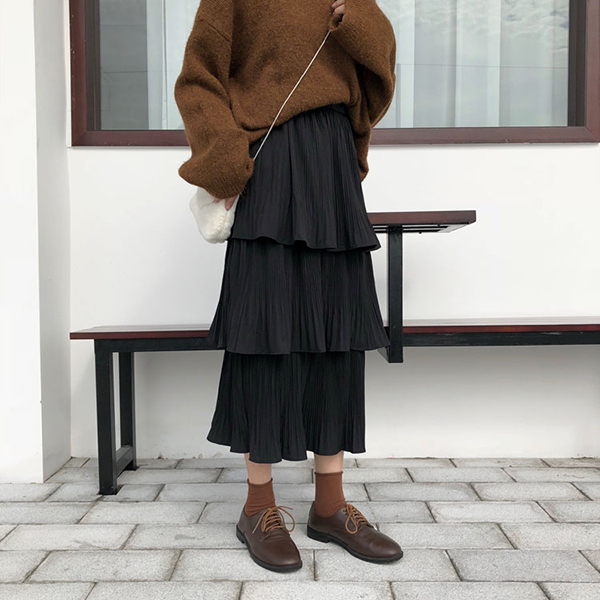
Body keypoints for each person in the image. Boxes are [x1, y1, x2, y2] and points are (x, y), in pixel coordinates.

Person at [174, 0, 403, 573]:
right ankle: (258, 507)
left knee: (336, 337)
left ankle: (330, 506)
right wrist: (227, 161)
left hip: (332, 167)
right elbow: (199, 79)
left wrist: (353, 18)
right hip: (268, 164)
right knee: (265, 333)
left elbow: (379, 75)